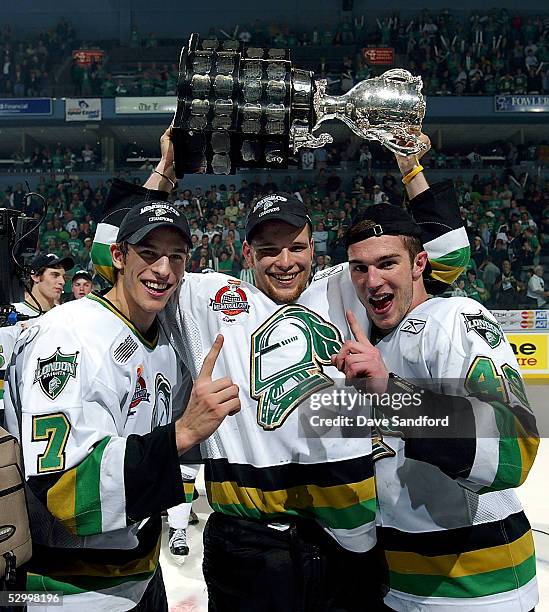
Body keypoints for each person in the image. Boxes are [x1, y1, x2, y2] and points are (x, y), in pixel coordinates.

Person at [92, 127, 471, 611]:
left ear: (316, 248)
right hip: (248, 548)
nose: (285, 261)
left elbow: (446, 260)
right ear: (246, 254)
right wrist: (165, 171)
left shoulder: (347, 285)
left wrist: (410, 167)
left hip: (347, 544)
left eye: (297, 246)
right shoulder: (205, 297)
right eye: (269, 250)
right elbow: (110, 263)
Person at [3, 200, 241, 611]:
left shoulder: (164, 335)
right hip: (67, 590)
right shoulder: (68, 336)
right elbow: (66, 492)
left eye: (176, 257)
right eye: (148, 254)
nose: (163, 269)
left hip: (140, 572)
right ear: (117, 256)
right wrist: (182, 433)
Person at [332, 204, 539, 611]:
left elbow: (513, 451)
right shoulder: (372, 342)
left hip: (479, 591)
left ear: (419, 263)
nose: (372, 281)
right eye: (359, 268)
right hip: (400, 583)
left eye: (387, 263)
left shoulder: (454, 318)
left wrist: (388, 391)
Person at [0, 253, 74, 416]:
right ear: (35, 276)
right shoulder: (12, 314)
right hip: (17, 414)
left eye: (63, 277)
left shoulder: (66, 318)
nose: (62, 282)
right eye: (54, 275)